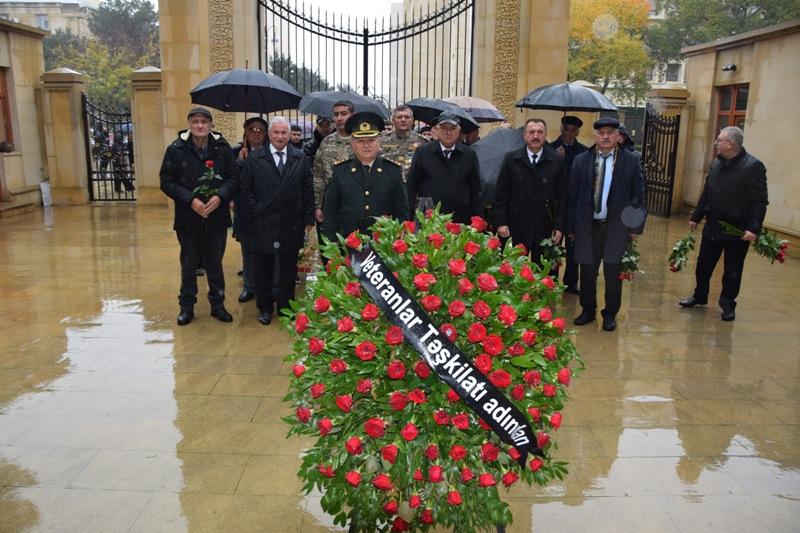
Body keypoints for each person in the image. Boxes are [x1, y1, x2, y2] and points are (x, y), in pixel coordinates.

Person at [679, 126, 768, 321]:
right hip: (713, 227)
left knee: (732, 270)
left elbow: (759, 201)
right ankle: (699, 295)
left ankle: (727, 304)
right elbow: (707, 194)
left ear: (731, 144)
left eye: (719, 141)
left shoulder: (753, 167)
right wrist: (696, 216)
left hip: (738, 231)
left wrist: (753, 229)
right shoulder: (716, 165)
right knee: (703, 265)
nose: (716, 144)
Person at [159, 107, 239, 326]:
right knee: (189, 263)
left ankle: (218, 305)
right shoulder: (176, 150)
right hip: (188, 217)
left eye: (204, 121)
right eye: (195, 121)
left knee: (215, 262)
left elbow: (233, 177)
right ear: (189, 124)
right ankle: (186, 307)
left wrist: (220, 196)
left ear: (211, 125)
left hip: (217, 217)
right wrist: (190, 199)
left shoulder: (222, 148)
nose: (200, 125)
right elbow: (166, 181)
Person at [568, 117, 646, 332]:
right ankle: (588, 309)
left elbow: (638, 197)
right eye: (601, 132)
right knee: (587, 271)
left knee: (613, 272)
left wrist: (633, 228)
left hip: (616, 228)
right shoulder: (581, 160)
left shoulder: (631, 161)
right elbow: (572, 196)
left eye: (610, 132)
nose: (605, 136)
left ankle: (610, 313)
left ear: (617, 136)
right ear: (595, 135)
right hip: (587, 226)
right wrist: (571, 228)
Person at [240, 117, 314, 325]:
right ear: (269, 134)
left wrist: (308, 217)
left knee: (288, 269)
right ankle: (264, 308)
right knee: (262, 269)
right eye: (276, 133)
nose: (280, 137)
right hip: (261, 223)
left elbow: (307, 189)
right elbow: (246, 190)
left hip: (291, 222)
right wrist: (255, 211)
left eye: (284, 133)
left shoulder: (300, 157)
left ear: (289, 135)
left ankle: (285, 307)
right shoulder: (255, 159)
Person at [321, 112, 408, 243]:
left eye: (371, 140)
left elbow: (402, 214)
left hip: (384, 247)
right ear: (352, 143)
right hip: (348, 246)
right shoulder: (340, 171)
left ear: (379, 141)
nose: (366, 145)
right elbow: (330, 215)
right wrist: (332, 253)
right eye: (360, 141)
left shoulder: (393, 171)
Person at [494, 118, 566, 264]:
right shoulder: (511, 159)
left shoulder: (557, 160)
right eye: (531, 132)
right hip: (515, 228)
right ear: (524, 135)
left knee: (545, 275)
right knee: (513, 273)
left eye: (540, 132)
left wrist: (559, 226)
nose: (535, 136)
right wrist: (501, 222)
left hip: (546, 229)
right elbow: (501, 194)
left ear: (545, 135)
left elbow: (563, 197)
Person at [406, 109, 482, 223]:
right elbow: (411, 187)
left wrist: (477, 220)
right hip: (429, 219)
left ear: (459, 130)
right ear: (437, 130)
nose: (448, 132)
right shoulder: (423, 153)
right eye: (444, 128)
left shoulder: (469, 155)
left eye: (452, 128)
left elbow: (476, 190)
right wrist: (408, 218)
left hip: (460, 219)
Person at [231, 116, 269, 303]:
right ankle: (249, 286)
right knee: (248, 250)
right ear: (245, 131)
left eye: (260, 129)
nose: (255, 133)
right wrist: (240, 162)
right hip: (245, 209)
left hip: (267, 209)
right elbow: (231, 181)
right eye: (251, 129)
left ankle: (267, 286)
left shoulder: (272, 152)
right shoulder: (236, 153)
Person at [551, 115, 588, 295]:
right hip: (556, 204)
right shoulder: (550, 148)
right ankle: (550, 278)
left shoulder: (584, 152)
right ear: (561, 128)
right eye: (566, 129)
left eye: (573, 130)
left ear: (578, 132)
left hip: (575, 204)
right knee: (553, 243)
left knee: (573, 244)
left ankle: (571, 281)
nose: (569, 133)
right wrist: (557, 158)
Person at [313, 100, 355, 226]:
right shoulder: (327, 142)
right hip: (331, 203)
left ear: (353, 115)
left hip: (357, 203)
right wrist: (317, 205)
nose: (339, 118)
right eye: (336, 114)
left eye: (344, 114)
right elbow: (318, 175)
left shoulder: (363, 141)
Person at [380, 104, 427, 183]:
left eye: (407, 117)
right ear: (393, 120)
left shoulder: (423, 142)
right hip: (388, 185)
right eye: (399, 117)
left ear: (412, 120)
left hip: (413, 187)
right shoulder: (381, 141)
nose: (403, 120)